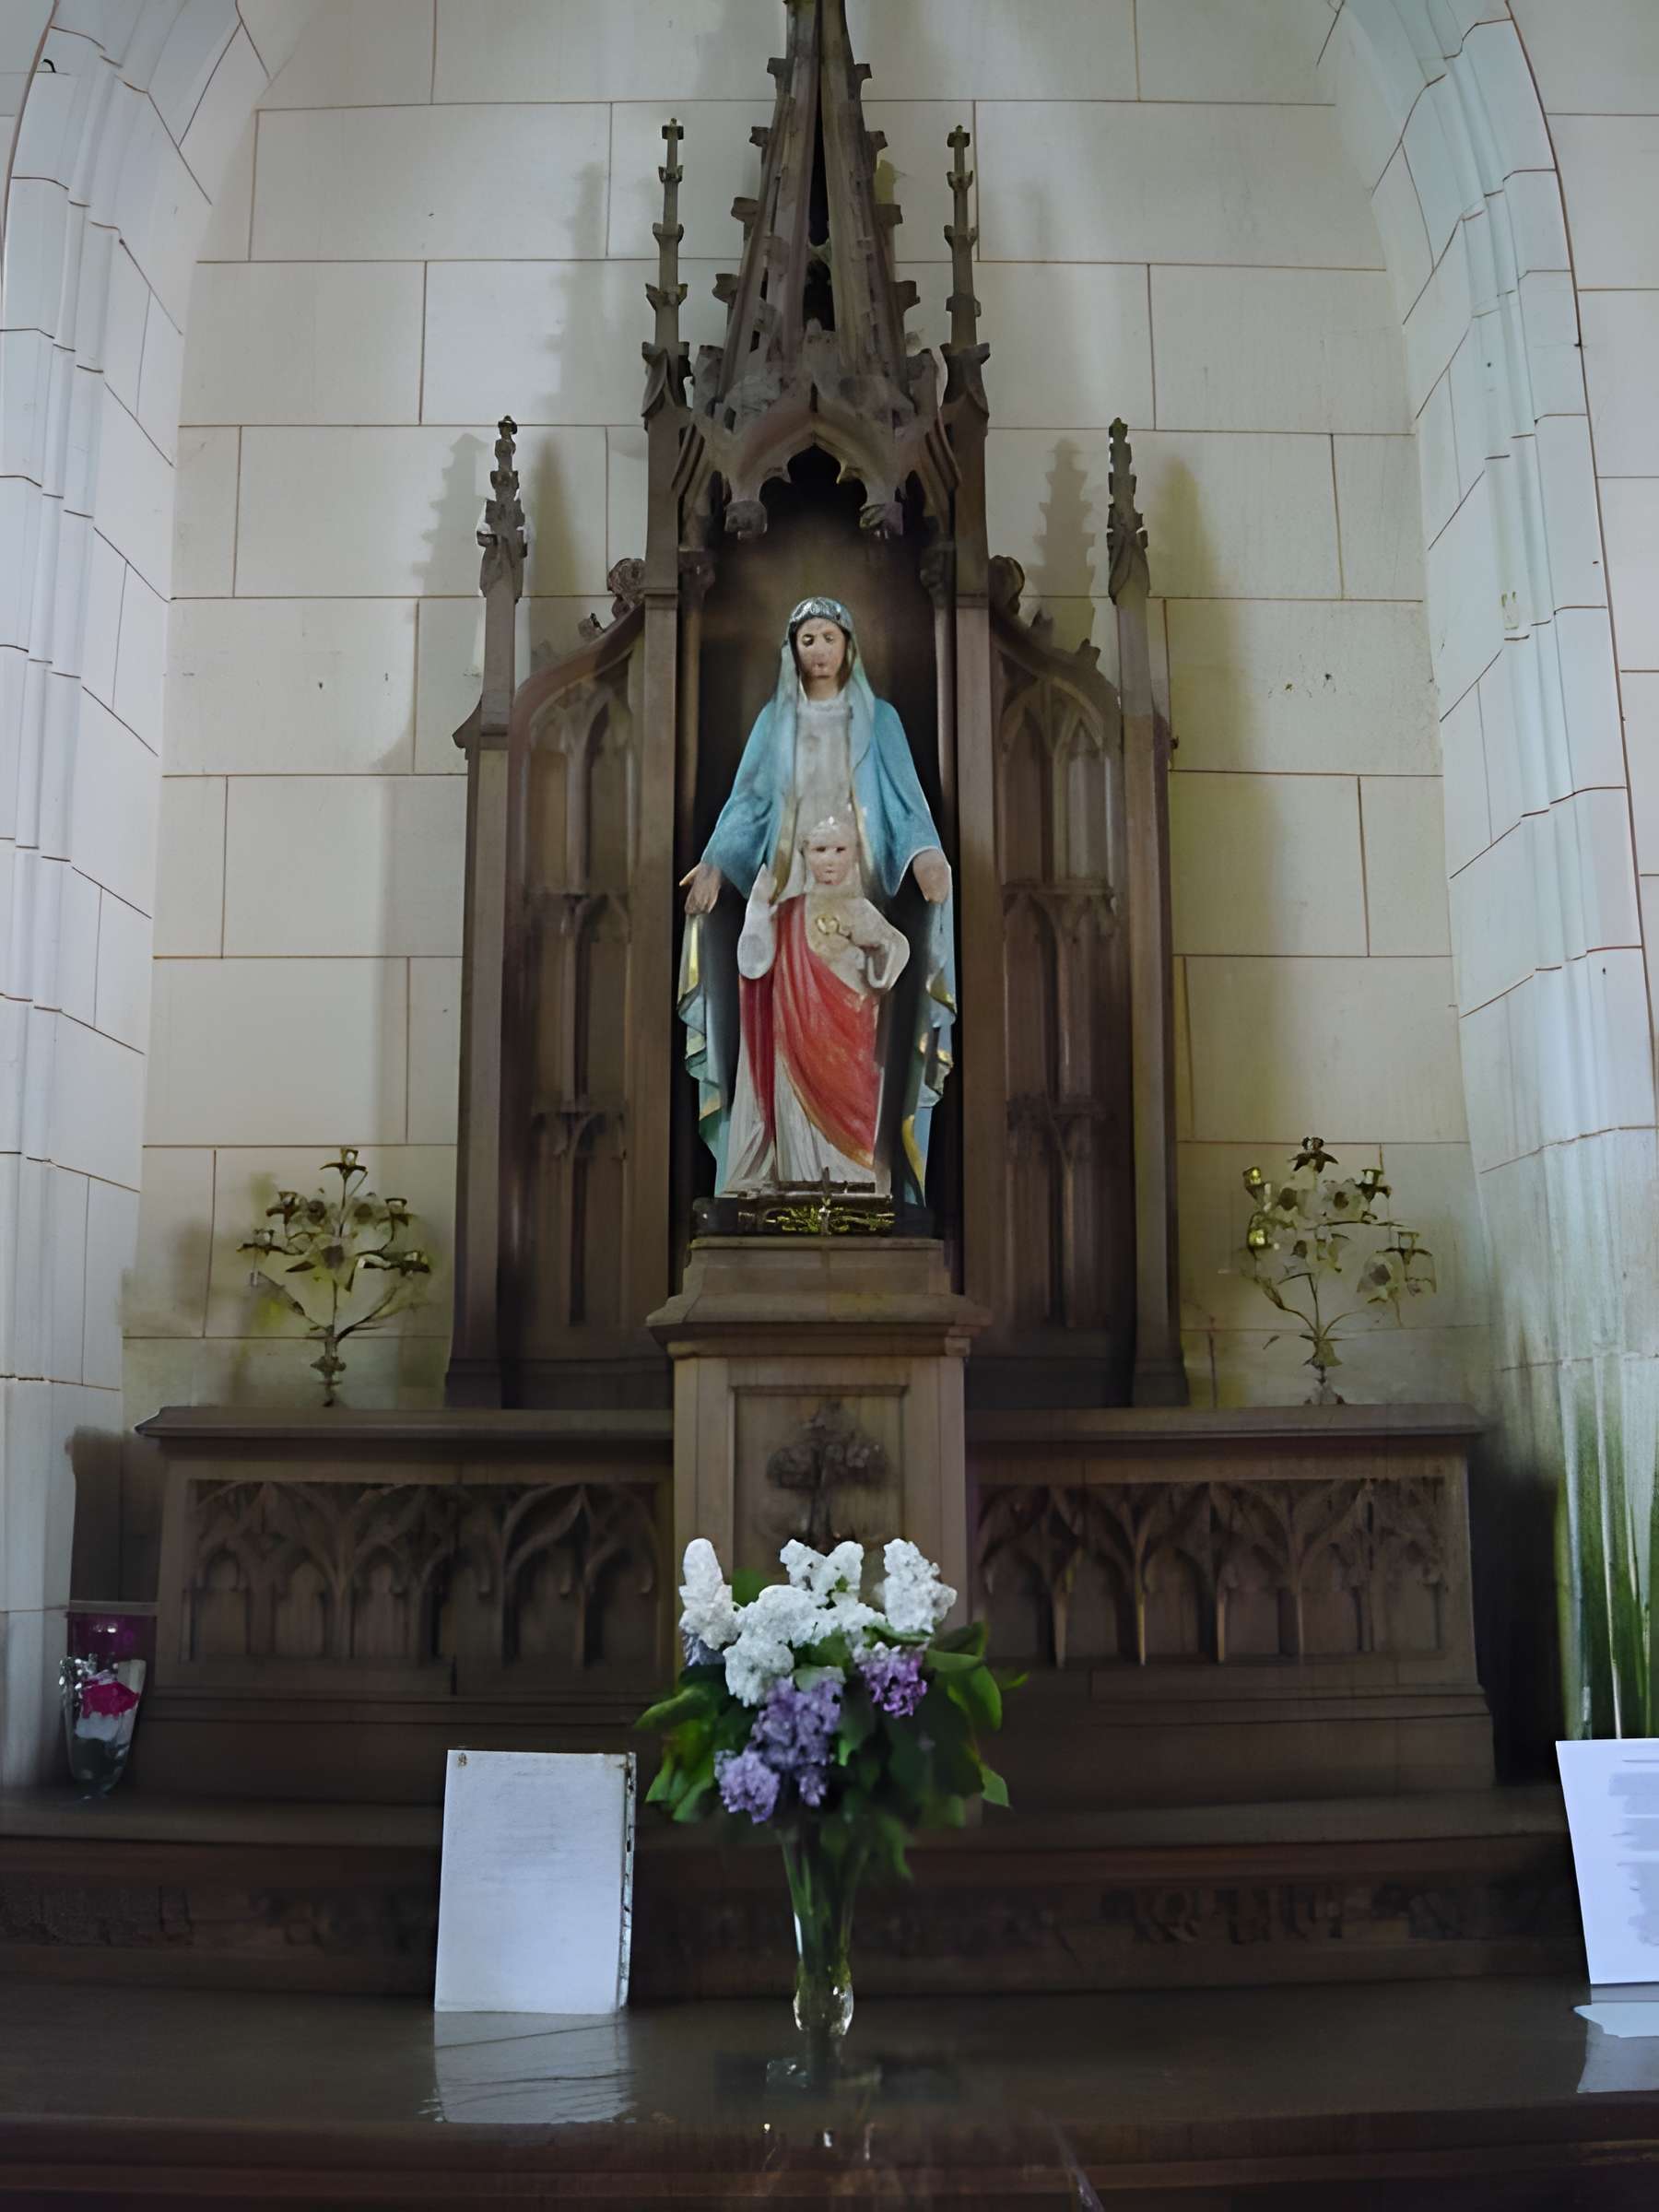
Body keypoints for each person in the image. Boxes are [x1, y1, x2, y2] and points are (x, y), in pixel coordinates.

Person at [677, 595, 955, 1205]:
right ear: (793, 651)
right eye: (808, 640)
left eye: (829, 637)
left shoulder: (878, 720)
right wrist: (718, 863)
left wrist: (925, 855)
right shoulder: (775, 722)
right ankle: (784, 1170)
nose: (820, 651)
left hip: (856, 891)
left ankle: (855, 1171)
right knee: (783, 1030)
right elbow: (749, 803)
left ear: (848, 645)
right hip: (789, 895)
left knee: (854, 1034)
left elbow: (905, 804)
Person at [724, 817, 911, 1194]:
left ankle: (854, 1185)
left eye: (840, 850)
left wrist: (874, 958)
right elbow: (753, 965)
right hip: (795, 1033)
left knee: (854, 1117)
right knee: (796, 1114)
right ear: (804, 853)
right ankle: (801, 1187)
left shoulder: (859, 908)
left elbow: (897, 949)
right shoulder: (788, 912)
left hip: (851, 1036)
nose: (829, 860)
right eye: (820, 849)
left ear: (855, 854)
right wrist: (758, 909)